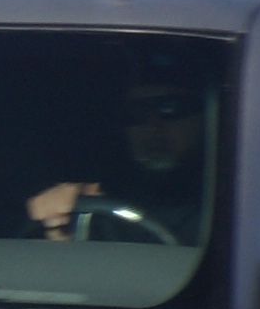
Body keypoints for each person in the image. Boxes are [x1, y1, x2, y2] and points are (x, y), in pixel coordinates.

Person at [26, 72, 211, 244]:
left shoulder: (230, 199)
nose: (152, 126)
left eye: (169, 108)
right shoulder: (96, 201)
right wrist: (55, 230)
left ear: (204, 116)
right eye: (135, 113)